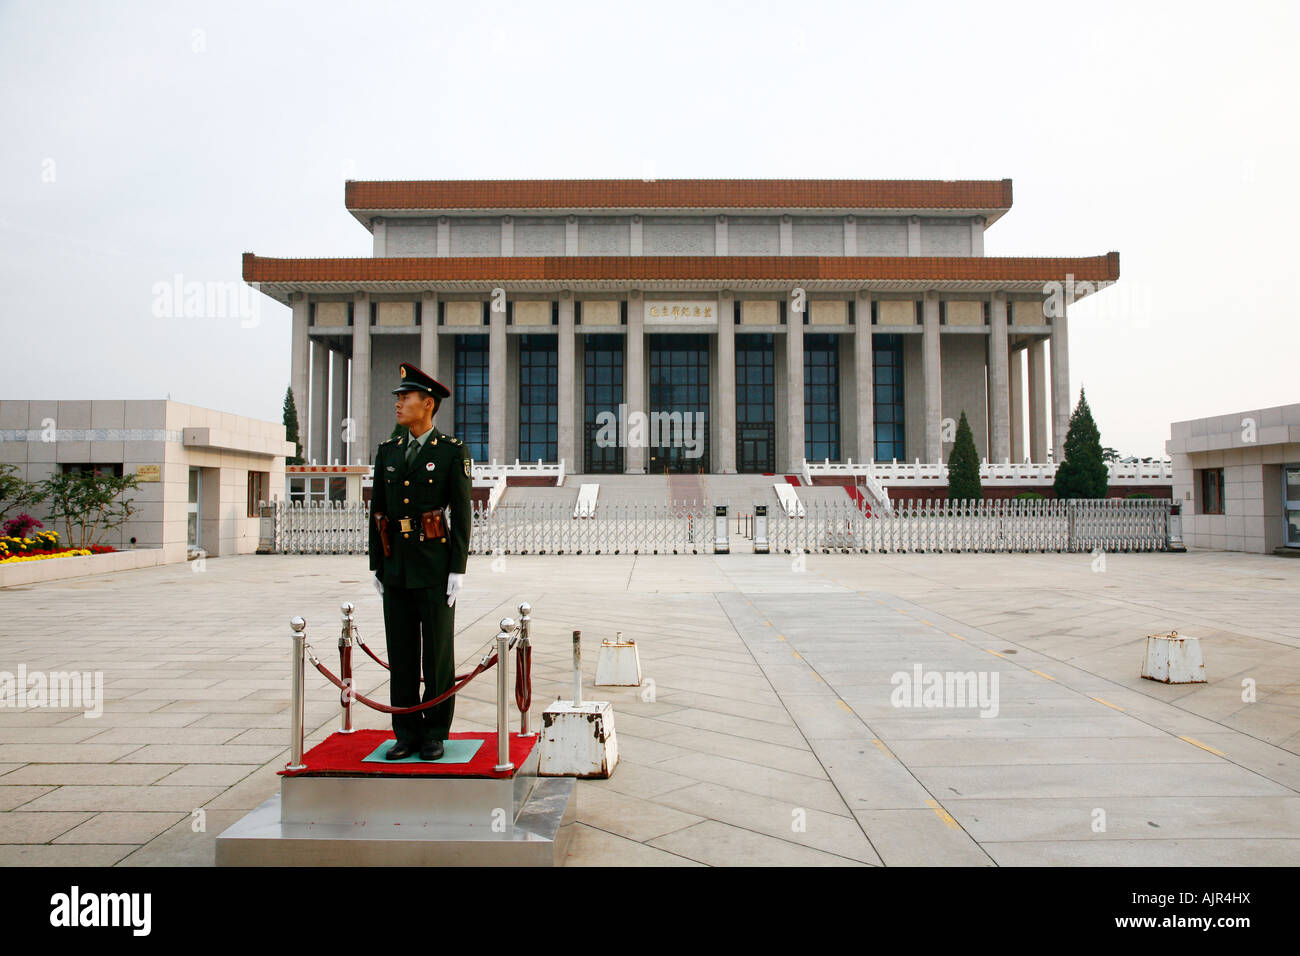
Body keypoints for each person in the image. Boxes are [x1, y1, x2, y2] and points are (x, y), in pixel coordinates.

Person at [367, 362, 473, 760]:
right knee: (402, 653)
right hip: (396, 565)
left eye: (405, 397)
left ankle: (435, 732)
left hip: (434, 564)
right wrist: (377, 563)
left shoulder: (450, 451)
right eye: (398, 397)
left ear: (427, 404)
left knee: (438, 654)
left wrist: (457, 568)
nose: (398, 403)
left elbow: (461, 514)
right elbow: (377, 509)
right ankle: (406, 730)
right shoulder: (388, 451)